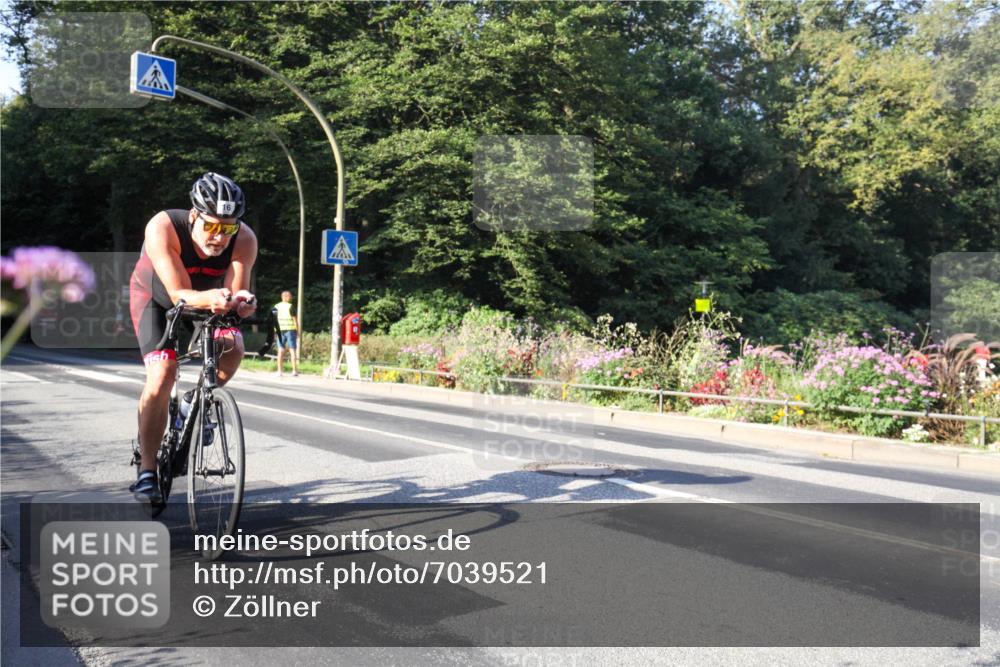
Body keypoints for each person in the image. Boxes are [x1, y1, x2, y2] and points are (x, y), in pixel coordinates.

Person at [128, 172, 258, 504]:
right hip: (157, 300)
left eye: (227, 228)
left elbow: (238, 288)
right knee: (161, 374)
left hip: (210, 298)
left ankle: (194, 402)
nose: (219, 237)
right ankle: (146, 472)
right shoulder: (163, 227)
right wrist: (217, 297)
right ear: (194, 215)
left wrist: (243, 302)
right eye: (212, 226)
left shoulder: (244, 238)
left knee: (234, 346)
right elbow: (177, 294)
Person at [273, 290, 299, 377]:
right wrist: (298, 331)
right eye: (289, 296)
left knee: (281, 350)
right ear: (284, 297)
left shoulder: (276, 306)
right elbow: (295, 320)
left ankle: (279, 371)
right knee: (292, 350)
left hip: (280, 331)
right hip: (290, 330)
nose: (291, 298)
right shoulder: (290, 306)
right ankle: (294, 371)